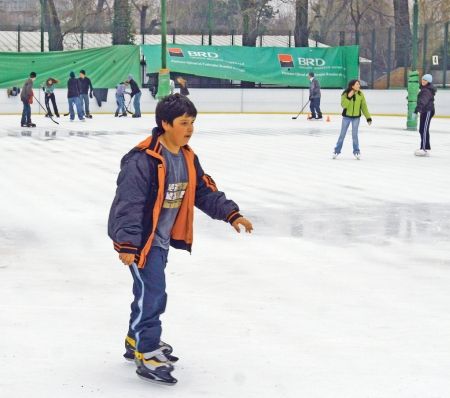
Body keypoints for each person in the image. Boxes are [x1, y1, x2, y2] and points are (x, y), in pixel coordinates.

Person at [108, 94, 253, 385]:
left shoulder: (187, 156)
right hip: (141, 243)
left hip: (160, 240)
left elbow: (203, 191)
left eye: (192, 123)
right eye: (183, 123)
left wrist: (231, 214)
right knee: (154, 293)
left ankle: (135, 339)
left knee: (147, 291)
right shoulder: (143, 159)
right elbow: (129, 203)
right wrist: (128, 245)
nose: (189, 128)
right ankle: (147, 350)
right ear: (165, 123)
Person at [333, 79, 372, 160]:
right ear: (352, 86)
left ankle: (356, 152)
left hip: (356, 118)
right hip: (346, 117)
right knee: (342, 135)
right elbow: (344, 105)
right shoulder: (345, 93)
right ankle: (336, 151)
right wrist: (348, 97)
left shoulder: (360, 94)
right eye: (357, 84)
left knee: (355, 135)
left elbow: (364, 106)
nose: (359, 86)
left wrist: (368, 117)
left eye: (359, 84)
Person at [414, 74, 436, 157]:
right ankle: (424, 147)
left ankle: (424, 149)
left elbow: (423, 101)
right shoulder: (423, 89)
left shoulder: (426, 90)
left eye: (425, 80)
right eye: (423, 79)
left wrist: (416, 110)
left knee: (424, 129)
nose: (423, 81)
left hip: (427, 111)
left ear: (429, 82)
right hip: (424, 111)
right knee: (422, 129)